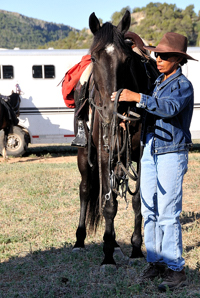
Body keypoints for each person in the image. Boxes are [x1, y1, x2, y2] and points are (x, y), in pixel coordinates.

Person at [111, 32, 197, 292]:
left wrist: (136, 97)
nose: (158, 59)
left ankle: (176, 270)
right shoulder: (159, 81)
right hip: (150, 149)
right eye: (157, 54)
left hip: (171, 151)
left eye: (165, 56)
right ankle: (156, 261)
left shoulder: (183, 85)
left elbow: (168, 108)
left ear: (179, 60)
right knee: (149, 210)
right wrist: (132, 118)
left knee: (168, 214)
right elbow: (151, 110)